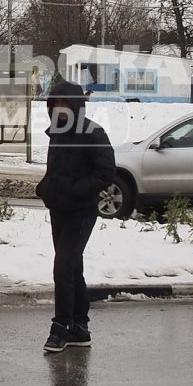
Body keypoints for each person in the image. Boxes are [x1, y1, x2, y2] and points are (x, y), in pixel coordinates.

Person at [35, 80, 117, 353]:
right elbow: (57, 170)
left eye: (65, 103)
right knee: (72, 269)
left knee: (63, 268)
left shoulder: (93, 133)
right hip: (59, 209)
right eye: (55, 103)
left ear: (76, 106)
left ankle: (60, 328)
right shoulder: (57, 132)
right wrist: (46, 187)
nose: (60, 108)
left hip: (81, 212)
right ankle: (80, 328)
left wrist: (75, 190)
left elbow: (106, 173)